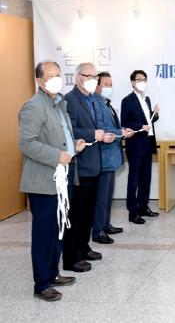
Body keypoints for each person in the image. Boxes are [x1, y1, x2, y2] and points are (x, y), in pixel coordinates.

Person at [18, 61, 86, 301]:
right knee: (44, 233)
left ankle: (53, 273)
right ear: (39, 81)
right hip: (43, 181)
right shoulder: (33, 107)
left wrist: (73, 145)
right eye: (51, 76)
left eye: (58, 74)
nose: (57, 79)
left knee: (58, 230)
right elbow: (27, 143)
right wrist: (57, 155)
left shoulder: (60, 103)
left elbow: (59, 137)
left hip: (62, 177)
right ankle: (42, 284)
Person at [63, 62, 116, 272]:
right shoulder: (70, 100)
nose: (94, 80)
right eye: (90, 76)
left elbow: (98, 127)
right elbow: (69, 130)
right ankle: (72, 256)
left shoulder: (94, 99)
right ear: (78, 77)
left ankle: (84, 247)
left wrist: (104, 135)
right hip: (80, 166)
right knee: (76, 214)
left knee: (88, 213)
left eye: (95, 76)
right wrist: (92, 134)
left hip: (95, 164)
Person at [92, 72, 133, 244]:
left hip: (111, 157)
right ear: (97, 86)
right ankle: (98, 230)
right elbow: (101, 129)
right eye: (106, 84)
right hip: (104, 157)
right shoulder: (96, 103)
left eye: (111, 84)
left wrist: (123, 130)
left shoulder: (106, 103)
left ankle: (105, 224)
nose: (109, 87)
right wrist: (120, 133)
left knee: (108, 195)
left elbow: (113, 126)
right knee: (101, 197)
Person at [121, 70, 160, 224]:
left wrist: (155, 114)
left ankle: (143, 206)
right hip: (135, 144)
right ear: (133, 82)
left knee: (146, 178)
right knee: (134, 179)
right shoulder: (127, 100)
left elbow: (148, 121)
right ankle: (132, 212)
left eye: (144, 79)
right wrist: (140, 126)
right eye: (139, 79)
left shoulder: (147, 99)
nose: (142, 82)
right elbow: (125, 122)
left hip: (147, 143)